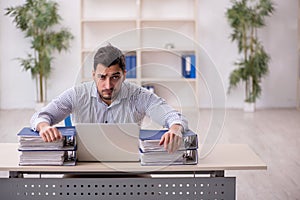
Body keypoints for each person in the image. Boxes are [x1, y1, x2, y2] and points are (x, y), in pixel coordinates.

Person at [31, 44, 188, 153]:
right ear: (93, 75)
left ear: (124, 74)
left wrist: (175, 129)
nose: (108, 85)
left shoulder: (139, 96)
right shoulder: (77, 94)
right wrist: (44, 127)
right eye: (102, 77)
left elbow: (173, 117)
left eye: (115, 77)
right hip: (84, 166)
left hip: (128, 165)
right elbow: (40, 116)